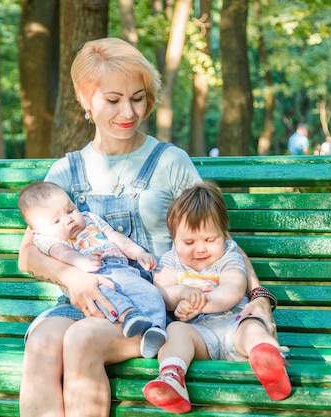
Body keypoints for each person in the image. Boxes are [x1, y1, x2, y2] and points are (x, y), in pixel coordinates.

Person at [17, 37, 277, 417]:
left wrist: (258, 295)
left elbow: (219, 238)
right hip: (89, 298)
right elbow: (28, 254)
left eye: (138, 98)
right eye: (113, 99)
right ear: (84, 99)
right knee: (41, 341)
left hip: (155, 306)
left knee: (82, 340)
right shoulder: (66, 172)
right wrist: (73, 279)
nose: (128, 111)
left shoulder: (169, 161)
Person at [143, 182, 291, 413]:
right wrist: (180, 295)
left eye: (210, 240)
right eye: (189, 242)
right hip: (200, 337)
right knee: (176, 332)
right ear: (174, 238)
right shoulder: (171, 260)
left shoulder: (228, 255)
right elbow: (160, 292)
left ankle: (267, 359)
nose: (200, 249)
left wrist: (201, 304)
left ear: (224, 233)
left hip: (233, 324)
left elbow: (233, 288)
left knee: (251, 326)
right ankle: (172, 378)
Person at [17, 181, 167, 358]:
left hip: (122, 271)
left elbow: (115, 237)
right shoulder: (46, 239)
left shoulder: (90, 219)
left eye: (70, 210)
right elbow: (63, 253)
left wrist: (139, 253)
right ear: (36, 231)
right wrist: (81, 262)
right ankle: (129, 315)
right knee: (105, 293)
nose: (69, 220)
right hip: (91, 278)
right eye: (56, 221)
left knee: (150, 292)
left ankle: (155, 332)